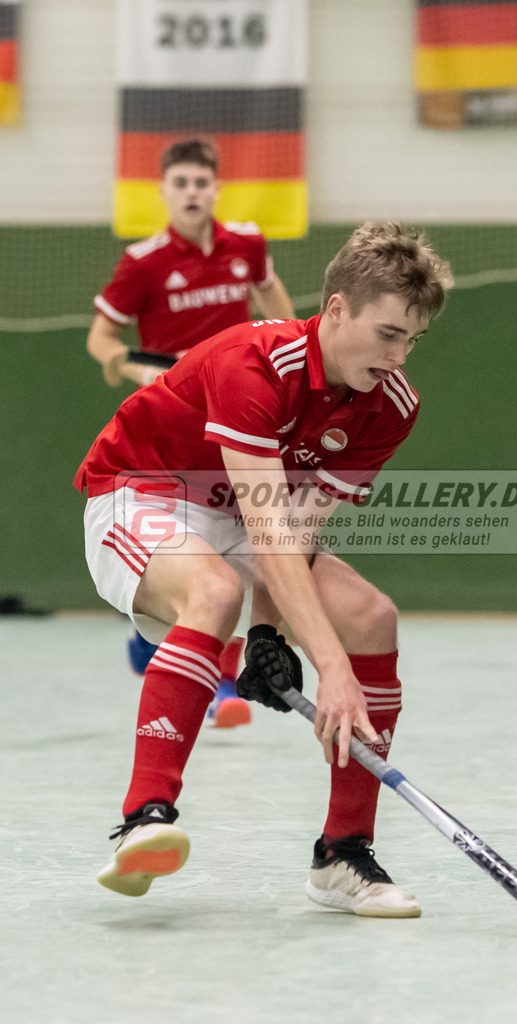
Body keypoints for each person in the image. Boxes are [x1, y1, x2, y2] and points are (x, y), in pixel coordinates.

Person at [75, 221, 454, 918]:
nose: (399, 357)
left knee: (372, 616)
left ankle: (342, 856)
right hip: (141, 492)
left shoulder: (389, 406)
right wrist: (328, 669)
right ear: (336, 308)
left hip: (243, 519)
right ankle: (145, 818)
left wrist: (270, 635)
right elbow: (266, 533)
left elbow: (298, 531)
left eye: (411, 340)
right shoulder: (254, 363)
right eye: (387, 334)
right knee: (214, 589)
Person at [86, 138, 295, 727]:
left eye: (201, 182)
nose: (191, 193)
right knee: (189, 552)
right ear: (164, 192)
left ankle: (223, 686)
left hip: (236, 414)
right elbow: (100, 340)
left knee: (238, 542)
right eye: (180, 183)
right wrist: (133, 365)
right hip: (167, 429)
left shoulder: (247, 245)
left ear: (216, 189)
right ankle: (160, 640)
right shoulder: (144, 261)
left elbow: (280, 311)